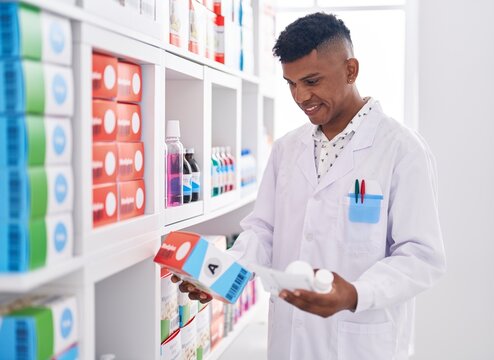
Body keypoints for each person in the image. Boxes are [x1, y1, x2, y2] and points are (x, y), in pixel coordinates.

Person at [173, 12, 446, 360]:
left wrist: (355, 294)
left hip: (360, 343)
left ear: (351, 70)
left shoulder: (401, 149)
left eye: (312, 81)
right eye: (291, 83)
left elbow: (422, 256)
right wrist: (220, 273)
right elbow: (263, 230)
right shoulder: (288, 149)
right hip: (290, 340)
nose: (301, 96)